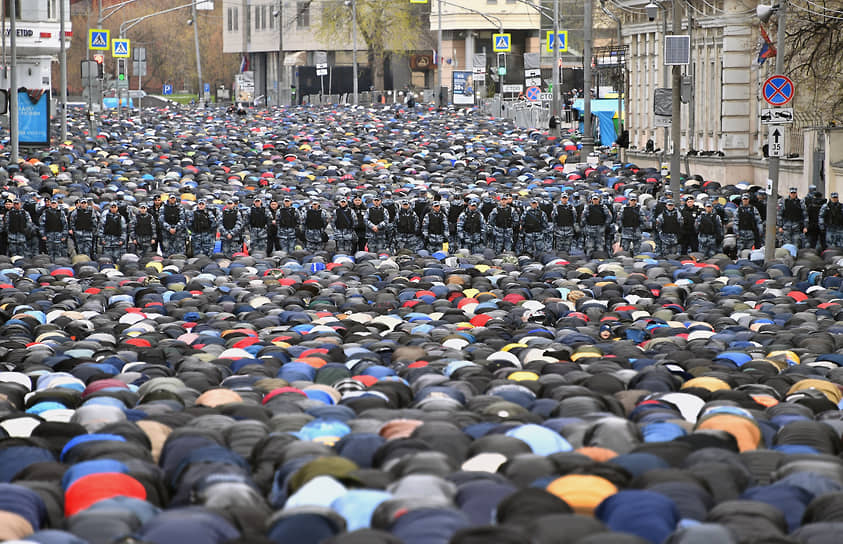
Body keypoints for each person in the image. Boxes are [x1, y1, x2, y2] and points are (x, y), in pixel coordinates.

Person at [581, 193, 612, 257]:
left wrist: (605, 225)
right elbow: (583, 217)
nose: (595, 200)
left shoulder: (603, 207)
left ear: (599, 199)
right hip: (590, 229)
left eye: (596, 199)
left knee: (600, 246)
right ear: (591, 200)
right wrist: (586, 225)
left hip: (600, 229)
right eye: (594, 199)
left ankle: (599, 257)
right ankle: (589, 258)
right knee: (589, 246)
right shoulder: (588, 207)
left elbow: (609, 217)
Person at [804, 185, 826, 250]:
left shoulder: (821, 204)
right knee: (819, 242)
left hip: (815, 225)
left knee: (814, 242)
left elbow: (807, 215)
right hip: (816, 225)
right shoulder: (823, 204)